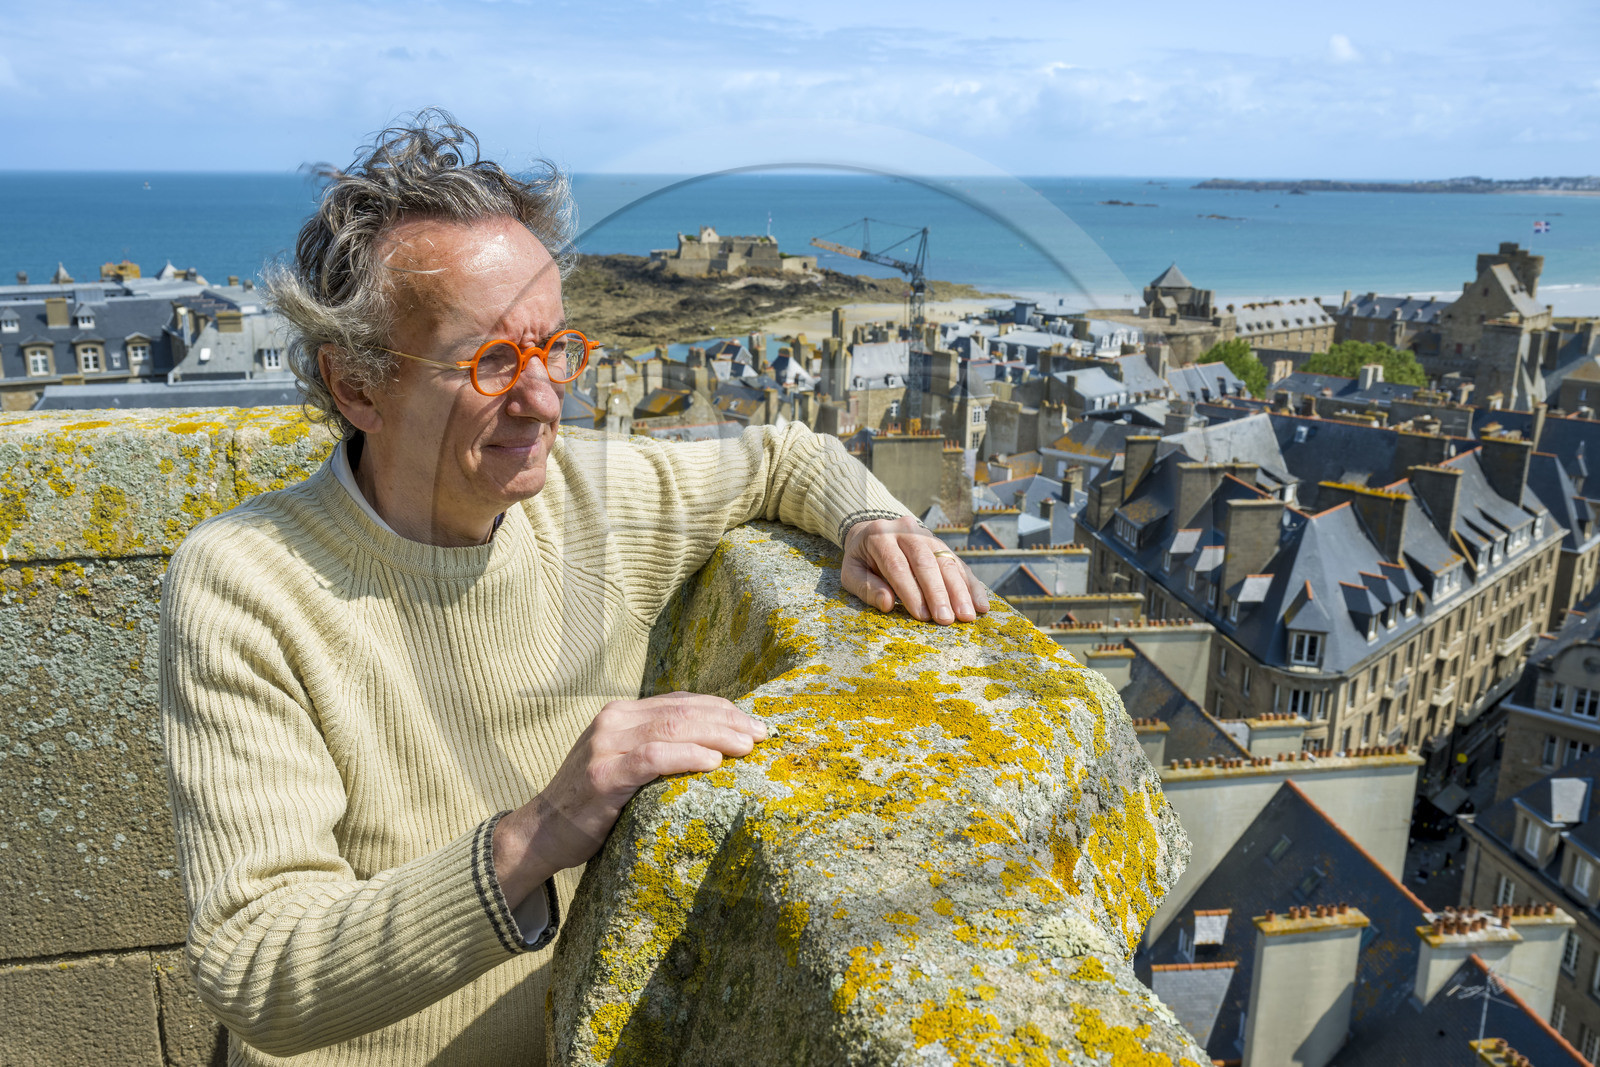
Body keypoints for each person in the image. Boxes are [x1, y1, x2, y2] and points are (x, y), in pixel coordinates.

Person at [159, 111, 987, 1065]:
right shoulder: (245, 584)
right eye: (491, 361)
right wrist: (540, 831)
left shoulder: (590, 496)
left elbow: (785, 457)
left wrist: (873, 522)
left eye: (553, 348)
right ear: (356, 386)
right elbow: (258, 966)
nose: (546, 399)